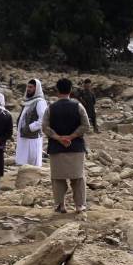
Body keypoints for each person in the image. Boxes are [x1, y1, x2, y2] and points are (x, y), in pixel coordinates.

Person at [43, 77, 91, 214]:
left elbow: (45, 127)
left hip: (56, 149)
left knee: (58, 178)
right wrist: (71, 137)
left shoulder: (50, 108)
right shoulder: (78, 106)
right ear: (71, 90)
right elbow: (86, 126)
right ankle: (80, 205)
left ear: (57, 90)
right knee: (78, 177)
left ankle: (60, 205)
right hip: (75, 147)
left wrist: (58, 138)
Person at [15, 78, 47, 167]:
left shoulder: (40, 102)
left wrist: (29, 128)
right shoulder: (28, 101)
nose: (28, 89)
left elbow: (43, 120)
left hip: (32, 139)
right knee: (22, 163)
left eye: (31, 87)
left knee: (31, 165)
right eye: (28, 87)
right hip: (23, 137)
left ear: (36, 89)